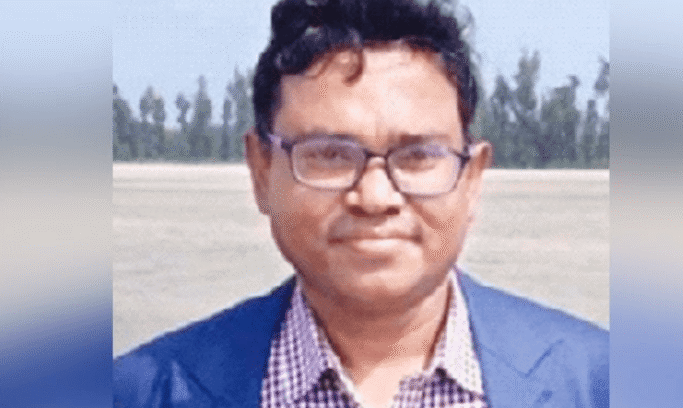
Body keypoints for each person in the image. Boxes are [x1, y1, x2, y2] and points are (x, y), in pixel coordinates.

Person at [113, 0, 608, 407]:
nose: (375, 197)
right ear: (262, 171)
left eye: (418, 156)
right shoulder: (138, 391)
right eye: (329, 155)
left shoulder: (601, 383)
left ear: (472, 179)